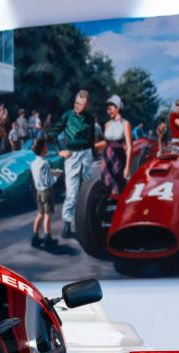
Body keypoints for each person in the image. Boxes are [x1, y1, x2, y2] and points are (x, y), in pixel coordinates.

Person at [49, 89, 100, 238]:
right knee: (71, 193)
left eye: (81, 104)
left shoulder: (90, 118)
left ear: (86, 105)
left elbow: (92, 139)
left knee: (88, 189)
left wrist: (93, 154)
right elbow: (52, 134)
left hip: (87, 154)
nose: (77, 106)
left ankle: (88, 221)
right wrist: (60, 150)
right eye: (76, 103)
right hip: (72, 155)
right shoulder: (67, 116)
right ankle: (67, 223)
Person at [94, 95, 132, 196]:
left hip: (118, 158)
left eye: (110, 109)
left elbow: (129, 147)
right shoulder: (107, 124)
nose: (108, 112)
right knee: (106, 187)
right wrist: (93, 146)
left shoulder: (126, 124)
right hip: (106, 158)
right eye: (107, 109)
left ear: (117, 107)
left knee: (118, 188)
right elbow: (106, 142)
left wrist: (127, 167)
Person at [29, 138, 58, 248]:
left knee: (40, 214)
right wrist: (56, 177)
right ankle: (47, 238)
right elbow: (48, 181)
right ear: (42, 149)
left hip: (39, 191)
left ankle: (35, 237)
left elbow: (40, 176)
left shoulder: (33, 163)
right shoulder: (45, 163)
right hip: (47, 191)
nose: (47, 147)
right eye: (45, 146)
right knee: (47, 215)